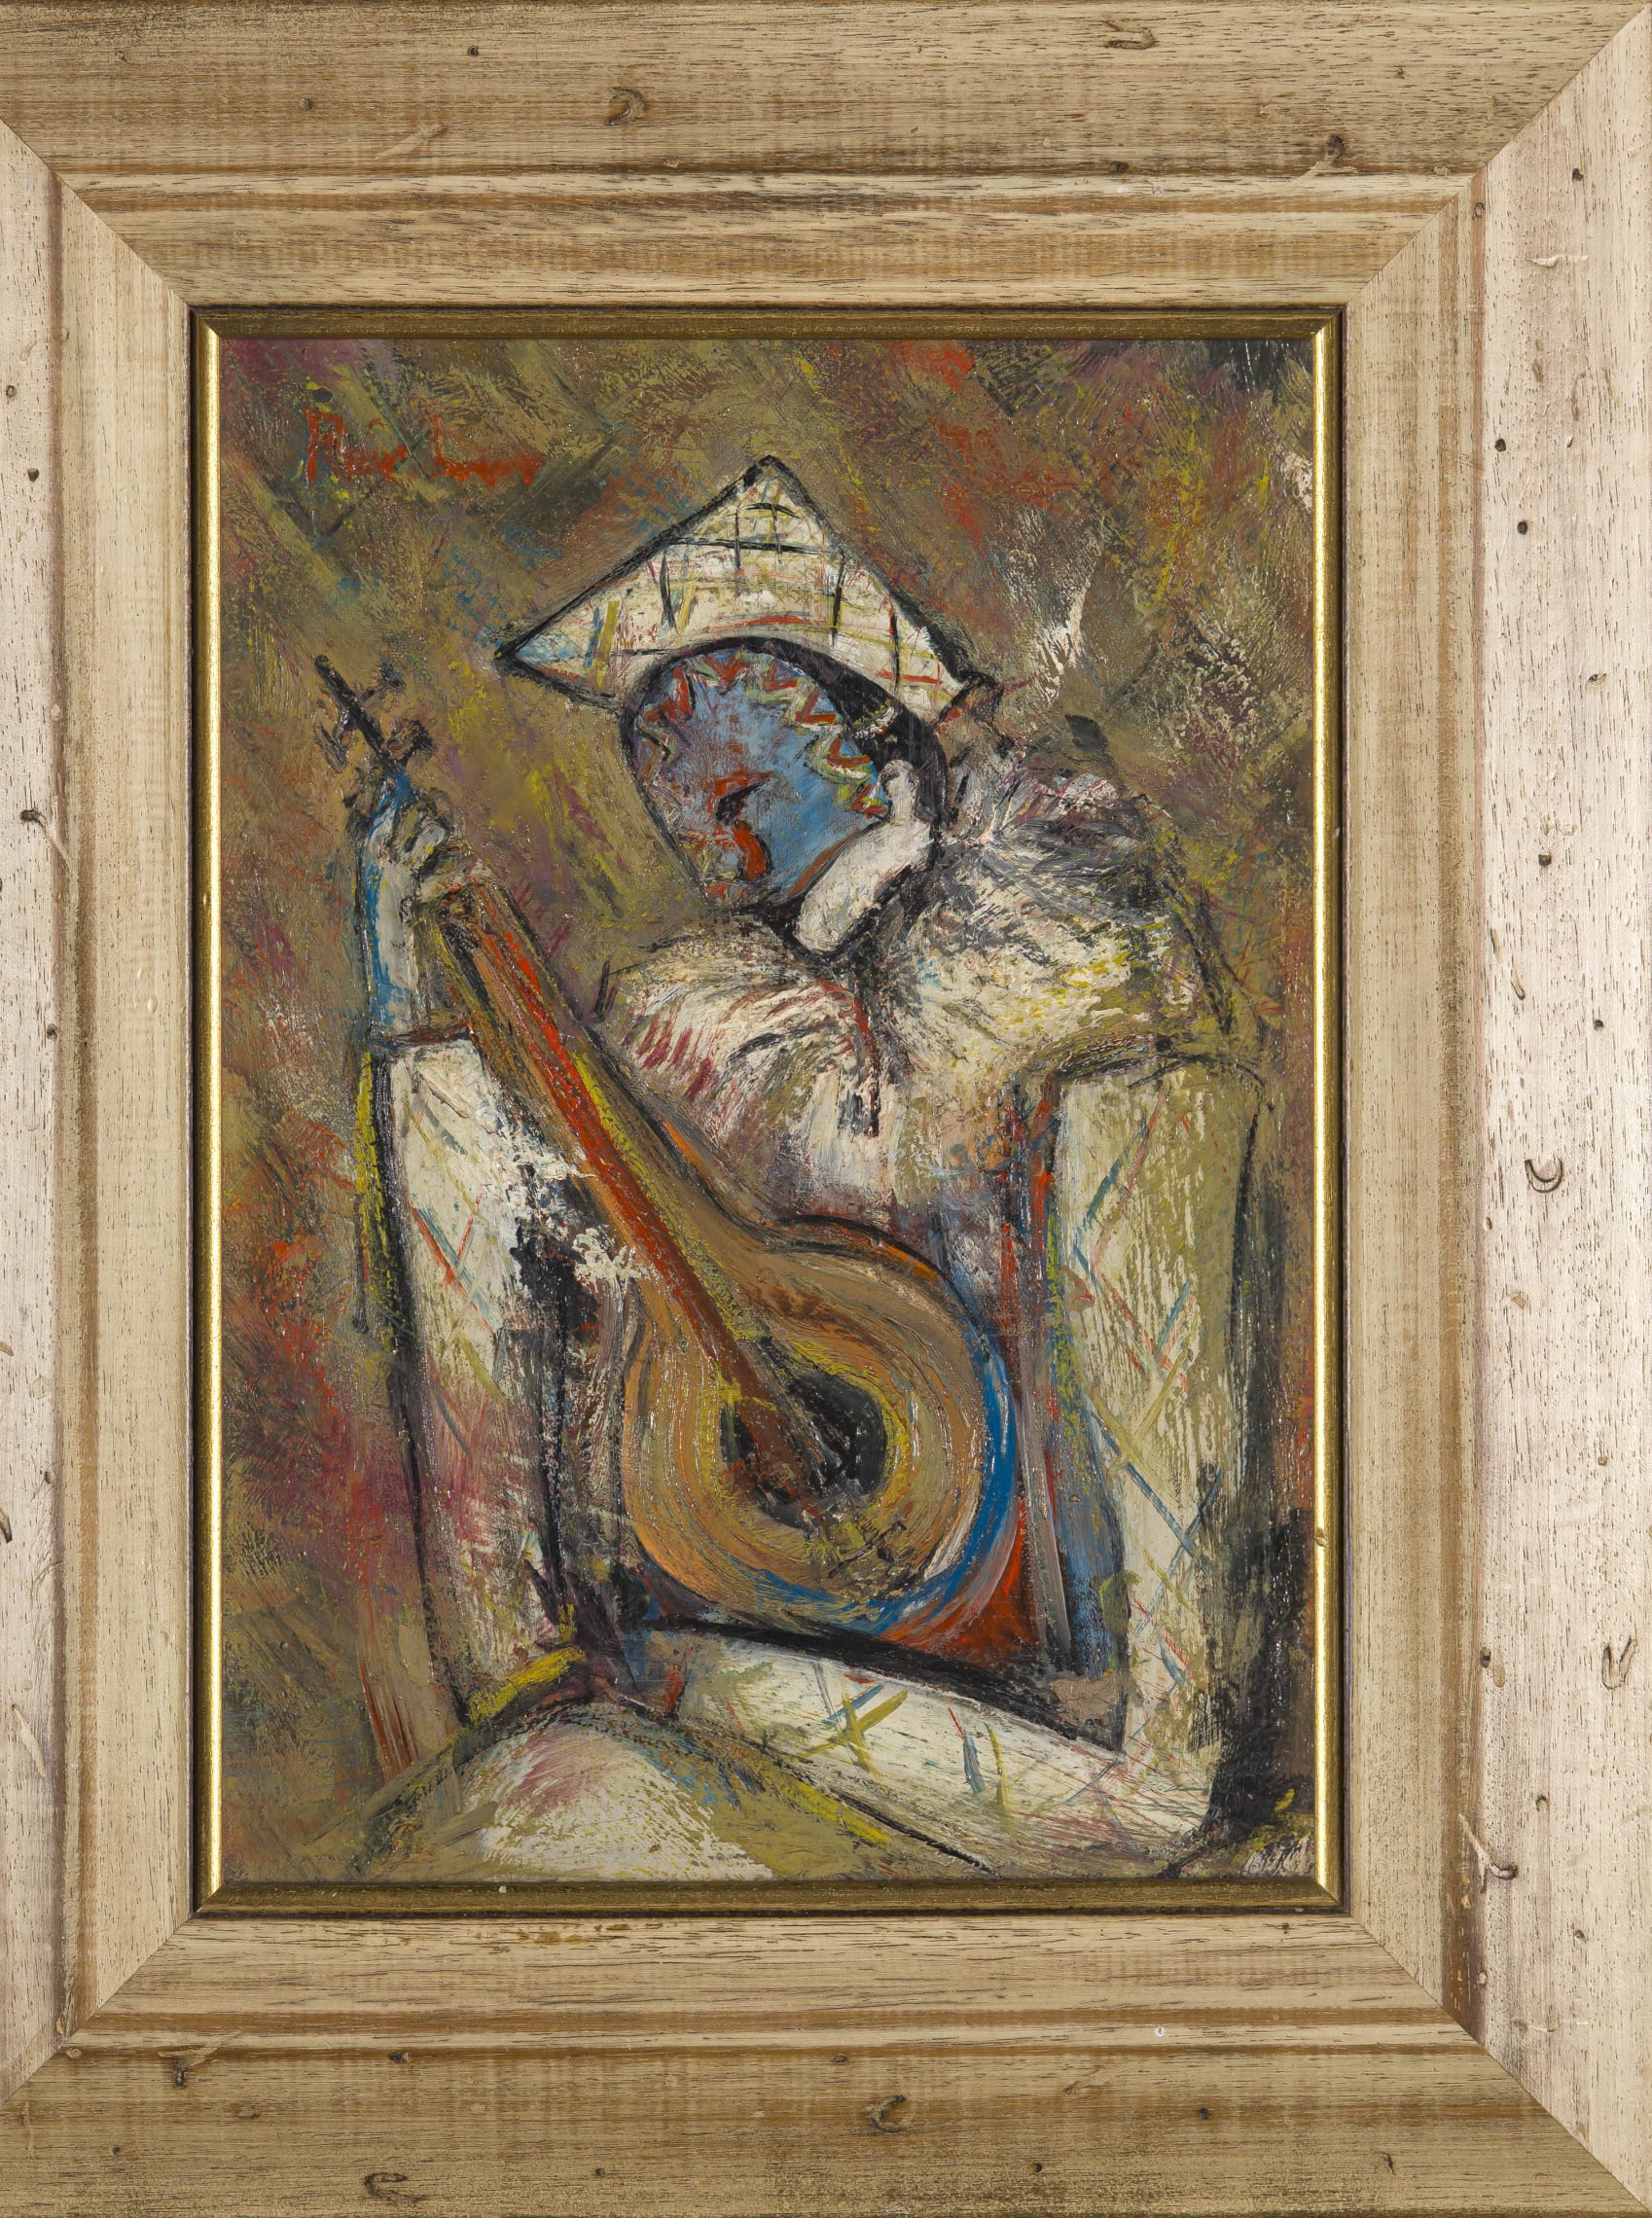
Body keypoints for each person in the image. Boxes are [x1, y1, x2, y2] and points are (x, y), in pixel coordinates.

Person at [344, 461, 1284, 1882]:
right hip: (811, 1600)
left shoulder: (1047, 914)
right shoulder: (704, 1012)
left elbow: (960, 1114)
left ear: (866, 735)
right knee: (478, 1136)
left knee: (1138, 1110)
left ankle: (1147, 1774)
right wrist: (421, 1012)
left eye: (736, 781)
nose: (705, 837)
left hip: (1041, 1592)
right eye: (672, 808)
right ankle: (540, 1660)